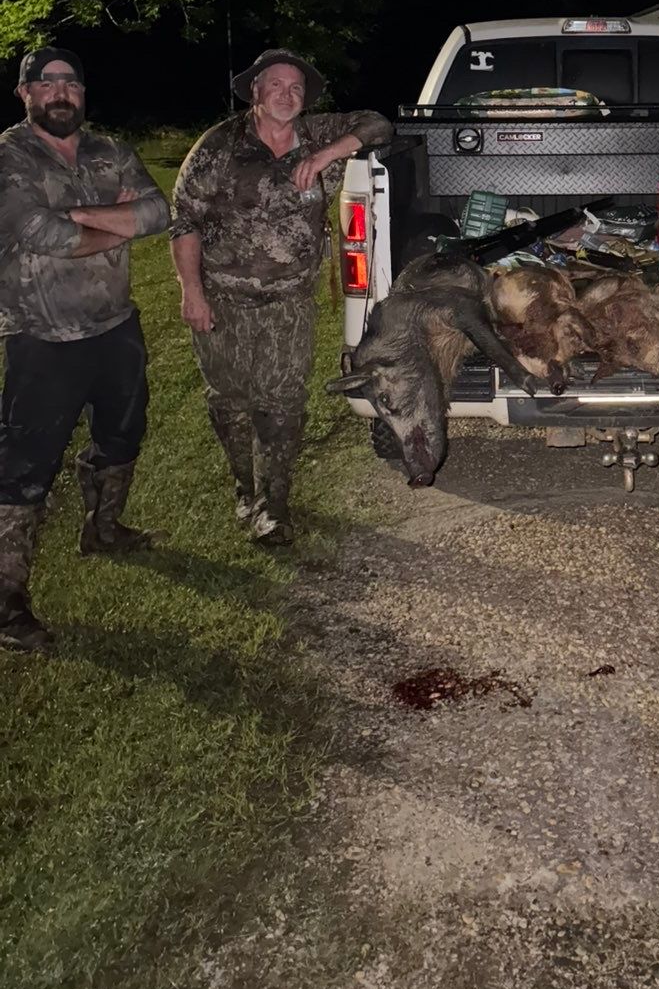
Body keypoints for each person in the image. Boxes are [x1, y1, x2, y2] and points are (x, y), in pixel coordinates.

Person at [170, 50, 393, 546]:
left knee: (283, 402)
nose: (287, 95)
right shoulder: (218, 147)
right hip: (222, 301)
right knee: (229, 402)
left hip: (290, 303)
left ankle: (274, 505)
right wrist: (193, 292)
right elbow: (184, 220)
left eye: (296, 88)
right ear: (255, 91)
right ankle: (243, 488)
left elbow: (380, 124)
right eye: (276, 85)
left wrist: (327, 155)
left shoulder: (318, 134)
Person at [0, 49, 170, 654]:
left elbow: (158, 212)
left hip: (115, 325)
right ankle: (7, 602)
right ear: (25, 93)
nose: (60, 92)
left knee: (123, 436)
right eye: (47, 83)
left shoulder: (110, 150)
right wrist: (112, 223)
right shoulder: (10, 156)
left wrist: (79, 218)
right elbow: (36, 232)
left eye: (70, 82)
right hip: (43, 337)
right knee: (26, 466)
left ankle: (102, 530)